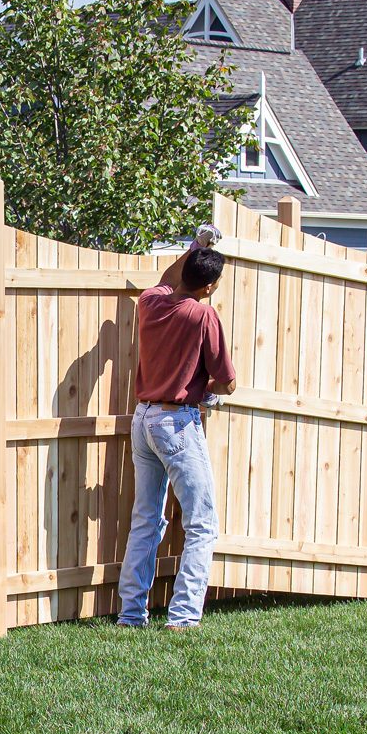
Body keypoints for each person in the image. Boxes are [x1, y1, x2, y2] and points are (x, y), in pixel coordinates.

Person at [117, 225, 237, 631]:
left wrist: (196, 246)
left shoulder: (151, 303)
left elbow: (168, 280)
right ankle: (183, 617)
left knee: (146, 519)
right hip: (177, 424)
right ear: (211, 287)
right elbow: (228, 382)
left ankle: (131, 615)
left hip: (144, 419)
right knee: (202, 523)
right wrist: (208, 391)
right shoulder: (204, 314)